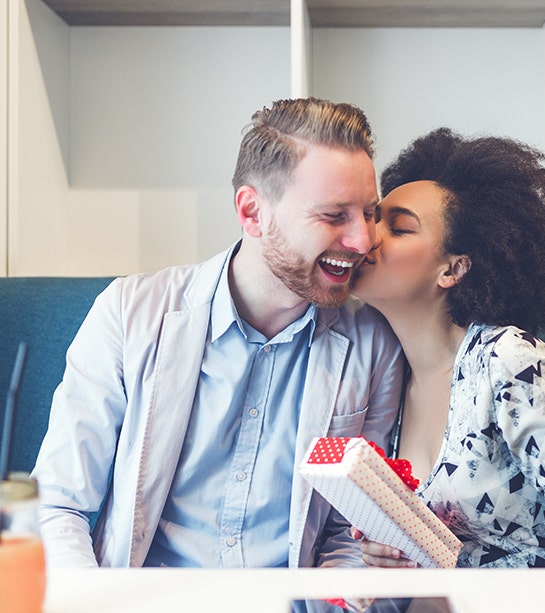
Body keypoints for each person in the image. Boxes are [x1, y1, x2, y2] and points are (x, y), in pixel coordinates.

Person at [32, 97, 404, 569]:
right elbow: (59, 505)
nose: (363, 240)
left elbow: (345, 535)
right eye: (334, 216)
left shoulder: (375, 344)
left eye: (369, 212)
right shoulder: (129, 314)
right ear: (252, 212)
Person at [351, 127, 545, 569]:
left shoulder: (508, 362)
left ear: (452, 269)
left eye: (397, 228)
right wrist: (388, 548)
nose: (366, 236)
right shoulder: (385, 371)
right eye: (371, 217)